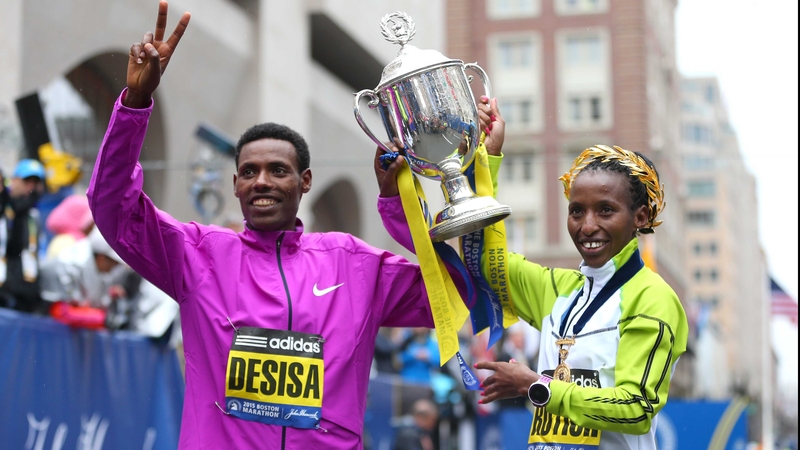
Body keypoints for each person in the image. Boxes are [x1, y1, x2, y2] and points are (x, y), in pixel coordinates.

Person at [86, 2, 440, 447]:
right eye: (249, 172)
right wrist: (135, 103)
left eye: (278, 170)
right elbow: (112, 206)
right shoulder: (198, 254)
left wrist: (400, 205)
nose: (262, 182)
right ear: (235, 184)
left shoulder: (354, 265)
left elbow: (453, 294)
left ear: (304, 181)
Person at [375, 97, 689, 449]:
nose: (587, 226)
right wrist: (484, 160)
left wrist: (536, 386)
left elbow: (635, 408)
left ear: (640, 217)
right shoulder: (559, 288)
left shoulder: (653, 298)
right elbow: (484, 262)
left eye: (605, 210)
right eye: (576, 211)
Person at [0, 159, 46, 313]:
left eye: (35, 183)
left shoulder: (34, 215)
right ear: (14, 180)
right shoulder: (4, 209)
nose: (31, 187)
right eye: (27, 181)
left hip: (25, 292)